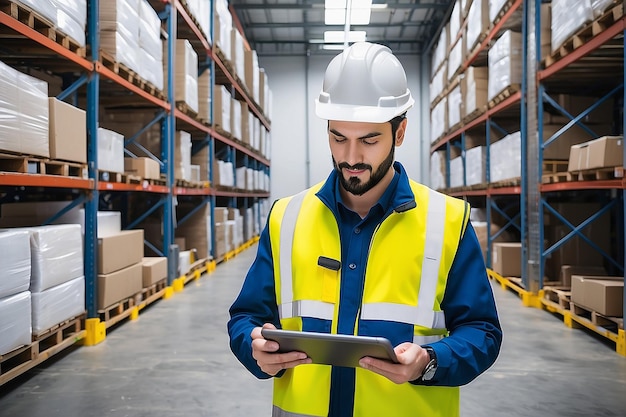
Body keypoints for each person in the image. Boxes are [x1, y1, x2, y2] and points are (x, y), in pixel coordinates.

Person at [228, 41, 502, 417]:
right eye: (338, 138)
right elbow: (245, 318)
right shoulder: (286, 217)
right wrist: (253, 347)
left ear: (400, 132)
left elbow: (482, 332)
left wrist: (429, 361)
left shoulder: (447, 221)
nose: (352, 157)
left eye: (369, 140)